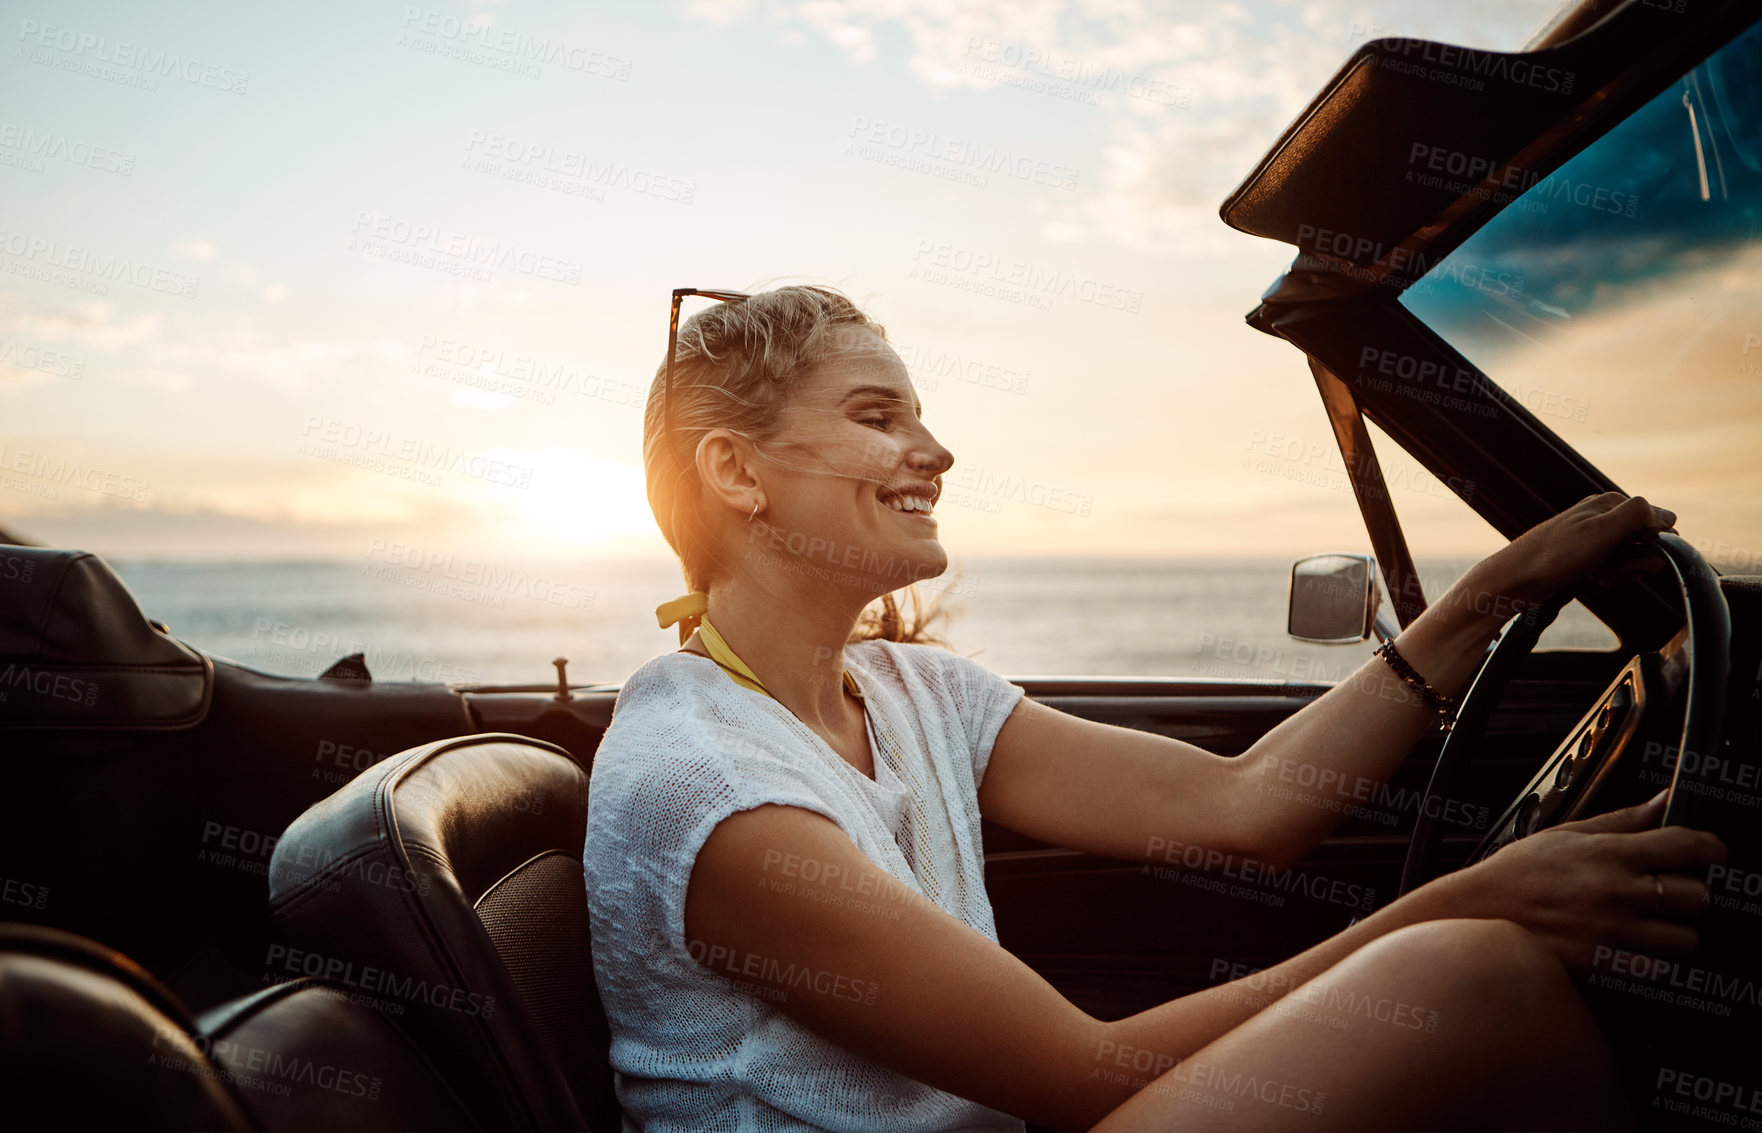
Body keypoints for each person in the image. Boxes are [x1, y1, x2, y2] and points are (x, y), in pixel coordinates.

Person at [582, 284, 1721, 1132]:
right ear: (737, 472)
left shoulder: (908, 688)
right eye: (878, 415)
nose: (934, 449)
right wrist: (1458, 905)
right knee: (1475, 974)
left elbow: (1247, 802)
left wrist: (1481, 600)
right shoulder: (711, 783)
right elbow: (1084, 1074)